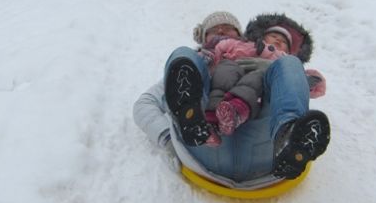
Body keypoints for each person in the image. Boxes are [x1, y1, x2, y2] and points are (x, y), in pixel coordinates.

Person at [133, 11, 330, 187]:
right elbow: (145, 104)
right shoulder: (193, 67)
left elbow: (307, 81)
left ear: (242, 37)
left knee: (289, 63)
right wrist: (168, 140)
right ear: (203, 39)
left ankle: (289, 136)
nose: (221, 31)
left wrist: (274, 70)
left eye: (228, 28)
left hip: (269, 152)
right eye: (213, 30)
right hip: (204, 146)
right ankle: (193, 120)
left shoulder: (264, 56)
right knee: (182, 55)